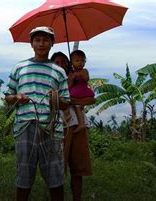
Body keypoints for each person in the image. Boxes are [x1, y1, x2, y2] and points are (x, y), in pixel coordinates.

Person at [5, 26, 69, 201]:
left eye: (46, 40)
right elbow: (8, 96)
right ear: (31, 43)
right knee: (24, 176)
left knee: (56, 177)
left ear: (52, 44)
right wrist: (16, 97)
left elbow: (65, 103)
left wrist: (54, 100)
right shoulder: (19, 68)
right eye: (38, 40)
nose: (41, 43)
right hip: (25, 127)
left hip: (51, 129)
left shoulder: (59, 71)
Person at [51, 51, 95, 201]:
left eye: (64, 62)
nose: (61, 64)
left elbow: (90, 100)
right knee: (58, 167)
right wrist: (70, 101)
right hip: (59, 125)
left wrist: (72, 100)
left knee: (78, 168)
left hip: (77, 124)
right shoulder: (49, 79)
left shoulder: (77, 77)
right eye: (57, 62)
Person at [68, 50, 95, 133]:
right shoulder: (70, 73)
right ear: (71, 62)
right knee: (77, 107)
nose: (80, 63)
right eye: (77, 61)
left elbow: (87, 79)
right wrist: (72, 78)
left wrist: (80, 74)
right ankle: (81, 123)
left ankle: (82, 124)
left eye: (82, 60)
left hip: (83, 91)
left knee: (78, 106)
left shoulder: (84, 71)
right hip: (74, 92)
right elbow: (69, 85)